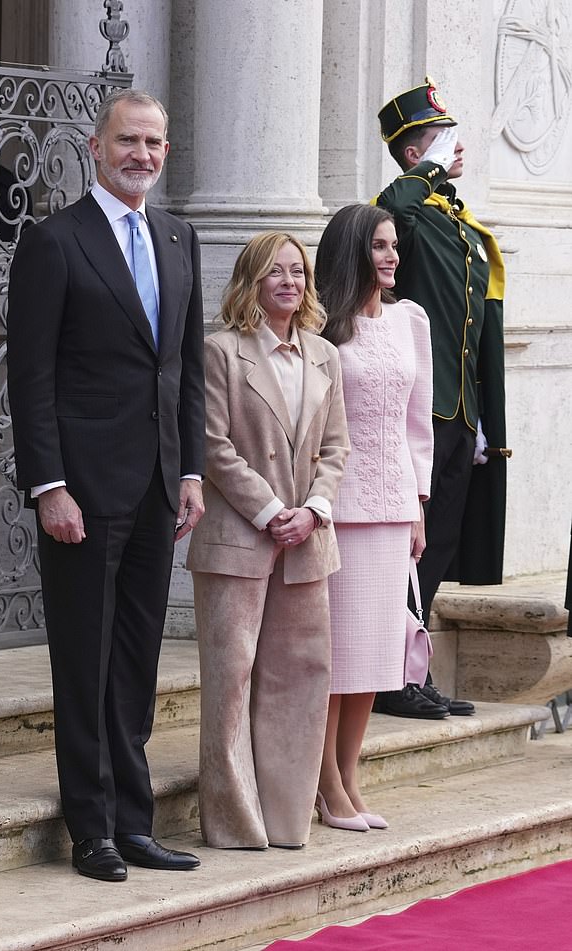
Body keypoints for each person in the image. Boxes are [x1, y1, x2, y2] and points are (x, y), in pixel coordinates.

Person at [7, 88, 206, 881]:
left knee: (135, 662)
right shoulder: (54, 242)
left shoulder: (178, 236)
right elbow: (31, 376)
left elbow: (183, 369)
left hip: (159, 490)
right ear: (95, 146)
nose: (144, 155)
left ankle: (134, 820)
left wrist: (190, 468)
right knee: (84, 664)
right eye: (129, 140)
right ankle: (90, 828)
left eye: (155, 143)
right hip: (81, 496)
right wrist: (48, 484)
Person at [187, 232, 350, 849]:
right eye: (276, 272)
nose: (290, 281)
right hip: (238, 541)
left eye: (299, 271)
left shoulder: (324, 355)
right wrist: (272, 510)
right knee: (231, 681)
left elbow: (337, 446)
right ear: (251, 281)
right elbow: (212, 445)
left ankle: (287, 821)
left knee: (300, 678)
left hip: (308, 540)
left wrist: (314, 509)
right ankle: (234, 825)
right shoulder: (221, 352)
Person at [372, 77, 509, 719]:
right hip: (417, 410)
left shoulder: (458, 224)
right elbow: (386, 205)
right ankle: (386, 674)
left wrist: (483, 418)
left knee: (439, 549)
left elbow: (474, 324)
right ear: (412, 153)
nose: (456, 150)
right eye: (440, 139)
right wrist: (423, 168)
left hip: (458, 412)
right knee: (406, 548)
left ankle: (411, 672)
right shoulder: (408, 213)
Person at [314, 204, 433, 829]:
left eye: (393, 246)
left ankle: (350, 777)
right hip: (338, 506)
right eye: (378, 246)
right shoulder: (322, 329)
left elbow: (419, 423)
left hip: (393, 507)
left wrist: (418, 504)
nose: (390, 256)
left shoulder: (411, 321)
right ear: (352, 251)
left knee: (376, 656)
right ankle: (325, 784)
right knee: (336, 656)